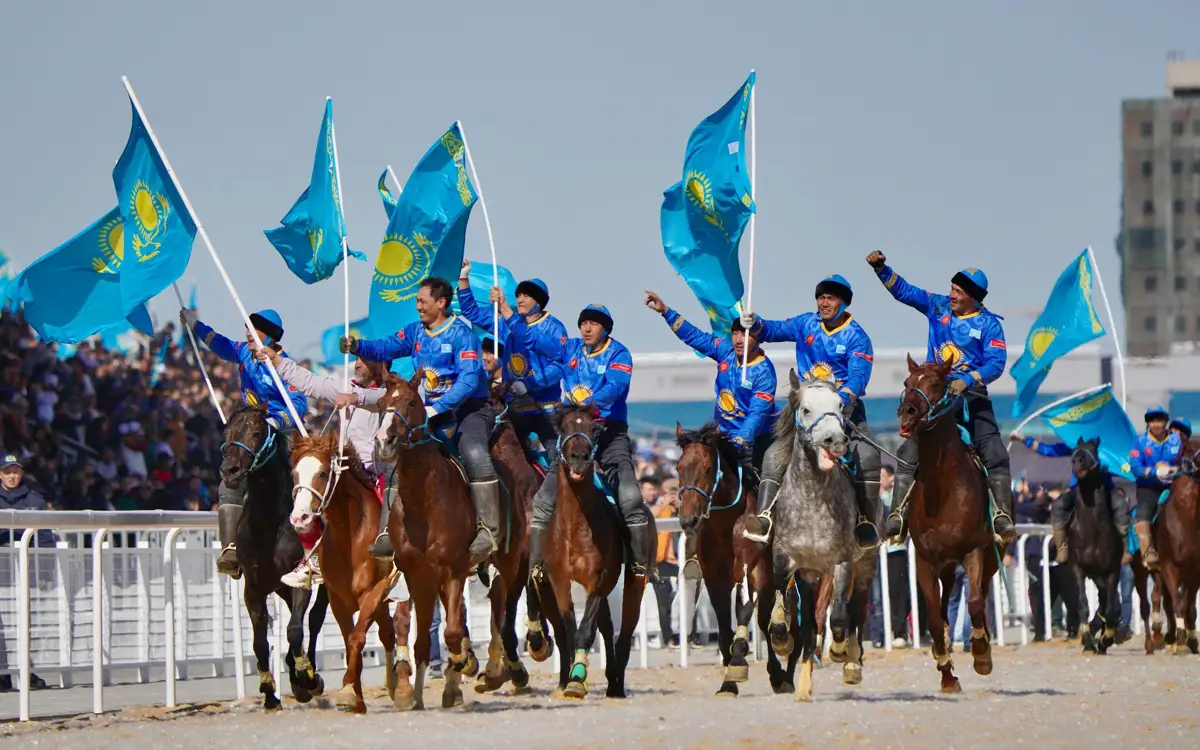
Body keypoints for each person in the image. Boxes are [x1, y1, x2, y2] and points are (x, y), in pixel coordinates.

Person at [341, 277, 500, 564]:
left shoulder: (463, 336)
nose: (417, 307)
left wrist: (437, 408)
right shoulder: (415, 332)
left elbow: (468, 380)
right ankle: (388, 533)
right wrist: (357, 346)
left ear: (441, 303)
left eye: (422, 301)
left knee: (475, 454)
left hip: (468, 410)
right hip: (428, 410)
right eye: (416, 301)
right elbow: (385, 348)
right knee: (396, 456)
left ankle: (488, 531)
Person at [496, 291, 654, 580]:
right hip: (571, 437)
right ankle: (536, 565)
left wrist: (590, 403)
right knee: (543, 501)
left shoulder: (619, 353)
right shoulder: (569, 348)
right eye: (584, 323)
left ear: (605, 329)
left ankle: (639, 564)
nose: (588, 328)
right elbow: (532, 339)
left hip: (608, 434)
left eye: (594, 324)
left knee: (630, 497)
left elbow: (616, 385)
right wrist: (507, 311)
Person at [866, 251, 1015, 545]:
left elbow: (996, 363)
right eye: (953, 288)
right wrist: (882, 269)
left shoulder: (989, 325)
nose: (953, 295)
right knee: (909, 450)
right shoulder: (937, 306)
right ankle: (897, 514)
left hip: (971, 396)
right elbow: (905, 292)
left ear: (974, 297)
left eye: (959, 291)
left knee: (995, 452)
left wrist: (968, 379)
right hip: (935, 396)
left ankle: (1002, 517)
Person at [738, 274, 880, 548]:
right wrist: (754, 324)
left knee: (869, 456)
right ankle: (765, 518)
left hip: (843, 413)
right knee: (772, 456)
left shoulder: (857, 337)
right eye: (821, 297)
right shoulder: (806, 323)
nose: (824, 303)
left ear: (844, 302)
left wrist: (838, 401)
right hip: (805, 414)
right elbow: (773, 330)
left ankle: (865, 521)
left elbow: (858, 379)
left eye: (830, 298)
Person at [180, 308, 309, 578]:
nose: (248, 334)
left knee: (304, 477)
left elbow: (299, 403)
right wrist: (195, 324)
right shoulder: (242, 352)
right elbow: (220, 344)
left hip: (281, 428)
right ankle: (229, 549)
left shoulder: (284, 364)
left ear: (271, 337)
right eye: (248, 328)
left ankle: (311, 545)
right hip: (253, 427)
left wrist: (276, 421)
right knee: (231, 467)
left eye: (255, 330)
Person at [257, 347, 392, 587]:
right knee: (310, 485)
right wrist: (276, 360)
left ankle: (395, 553)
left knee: (395, 496)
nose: (357, 364)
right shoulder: (346, 387)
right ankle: (313, 559)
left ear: (381, 367)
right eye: (357, 359)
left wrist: (356, 398)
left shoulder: (391, 393)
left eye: (364, 360)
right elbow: (309, 382)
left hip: (378, 466)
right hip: (344, 465)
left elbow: (380, 400)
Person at [457, 261, 566, 460]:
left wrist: (530, 384)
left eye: (527, 295)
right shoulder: (504, 321)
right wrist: (464, 278)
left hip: (546, 409)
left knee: (559, 458)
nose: (521, 299)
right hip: (514, 408)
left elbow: (559, 365)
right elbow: (471, 312)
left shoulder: (553, 328)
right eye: (519, 295)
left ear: (539, 301)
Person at [1010, 432, 1130, 563]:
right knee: (1058, 506)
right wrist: (1023, 439)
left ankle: (1124, 548)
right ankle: (1062, 547)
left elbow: (1122, 464)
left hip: (1104, 488)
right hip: (1078, 490)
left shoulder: (1107, 447)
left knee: (1121, 505)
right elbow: (1047, 450)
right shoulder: (1073, 445)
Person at [0, 454, 52, 691]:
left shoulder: (35, 500)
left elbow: (45, 538)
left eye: (16, 471)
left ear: (22, 474)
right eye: (7, 471)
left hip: (27, 570)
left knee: (27, 621)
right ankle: (3, 673)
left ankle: (27, 672)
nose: (12, 476)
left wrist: (45, 571)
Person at [1129, 405, 1183, 569]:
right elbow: (1136, 468)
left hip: (1173, 485)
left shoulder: (1176, 440)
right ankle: (1148, 552)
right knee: (1143, 512)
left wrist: (1175, 470)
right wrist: (1155, 471)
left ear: (1166, 422)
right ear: (1148, 424)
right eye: (1152, 421)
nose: (1156, 424)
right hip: (1149, 488)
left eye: (1160, 420)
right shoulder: (1139, 441)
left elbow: (1184, 461)